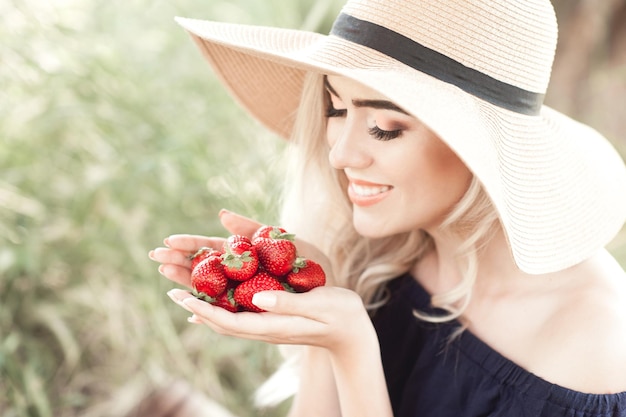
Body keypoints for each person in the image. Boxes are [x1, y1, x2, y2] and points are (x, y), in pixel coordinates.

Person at [148, 0, 626, 415]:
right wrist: (318, 303)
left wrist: (351, 347)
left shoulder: (595, 345)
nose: (340, 154)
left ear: (483, 147)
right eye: (337, 109)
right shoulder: (387, 252)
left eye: (385, 126)